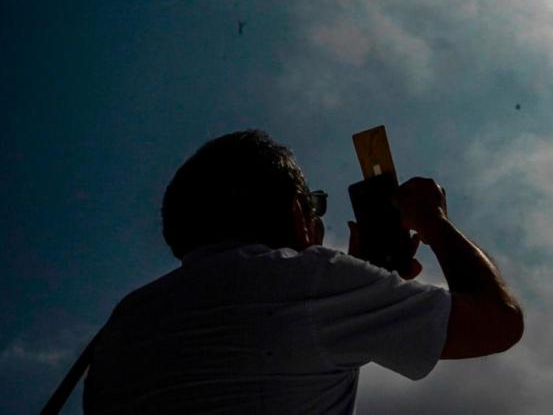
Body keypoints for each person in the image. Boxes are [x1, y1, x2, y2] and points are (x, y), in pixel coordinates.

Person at [82, 130, 523, 413]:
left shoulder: (126, 321)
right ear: (298, 212)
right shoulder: (315, 281)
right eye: (316, 206)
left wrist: (363, 275)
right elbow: (498, 322)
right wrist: (433, 223)